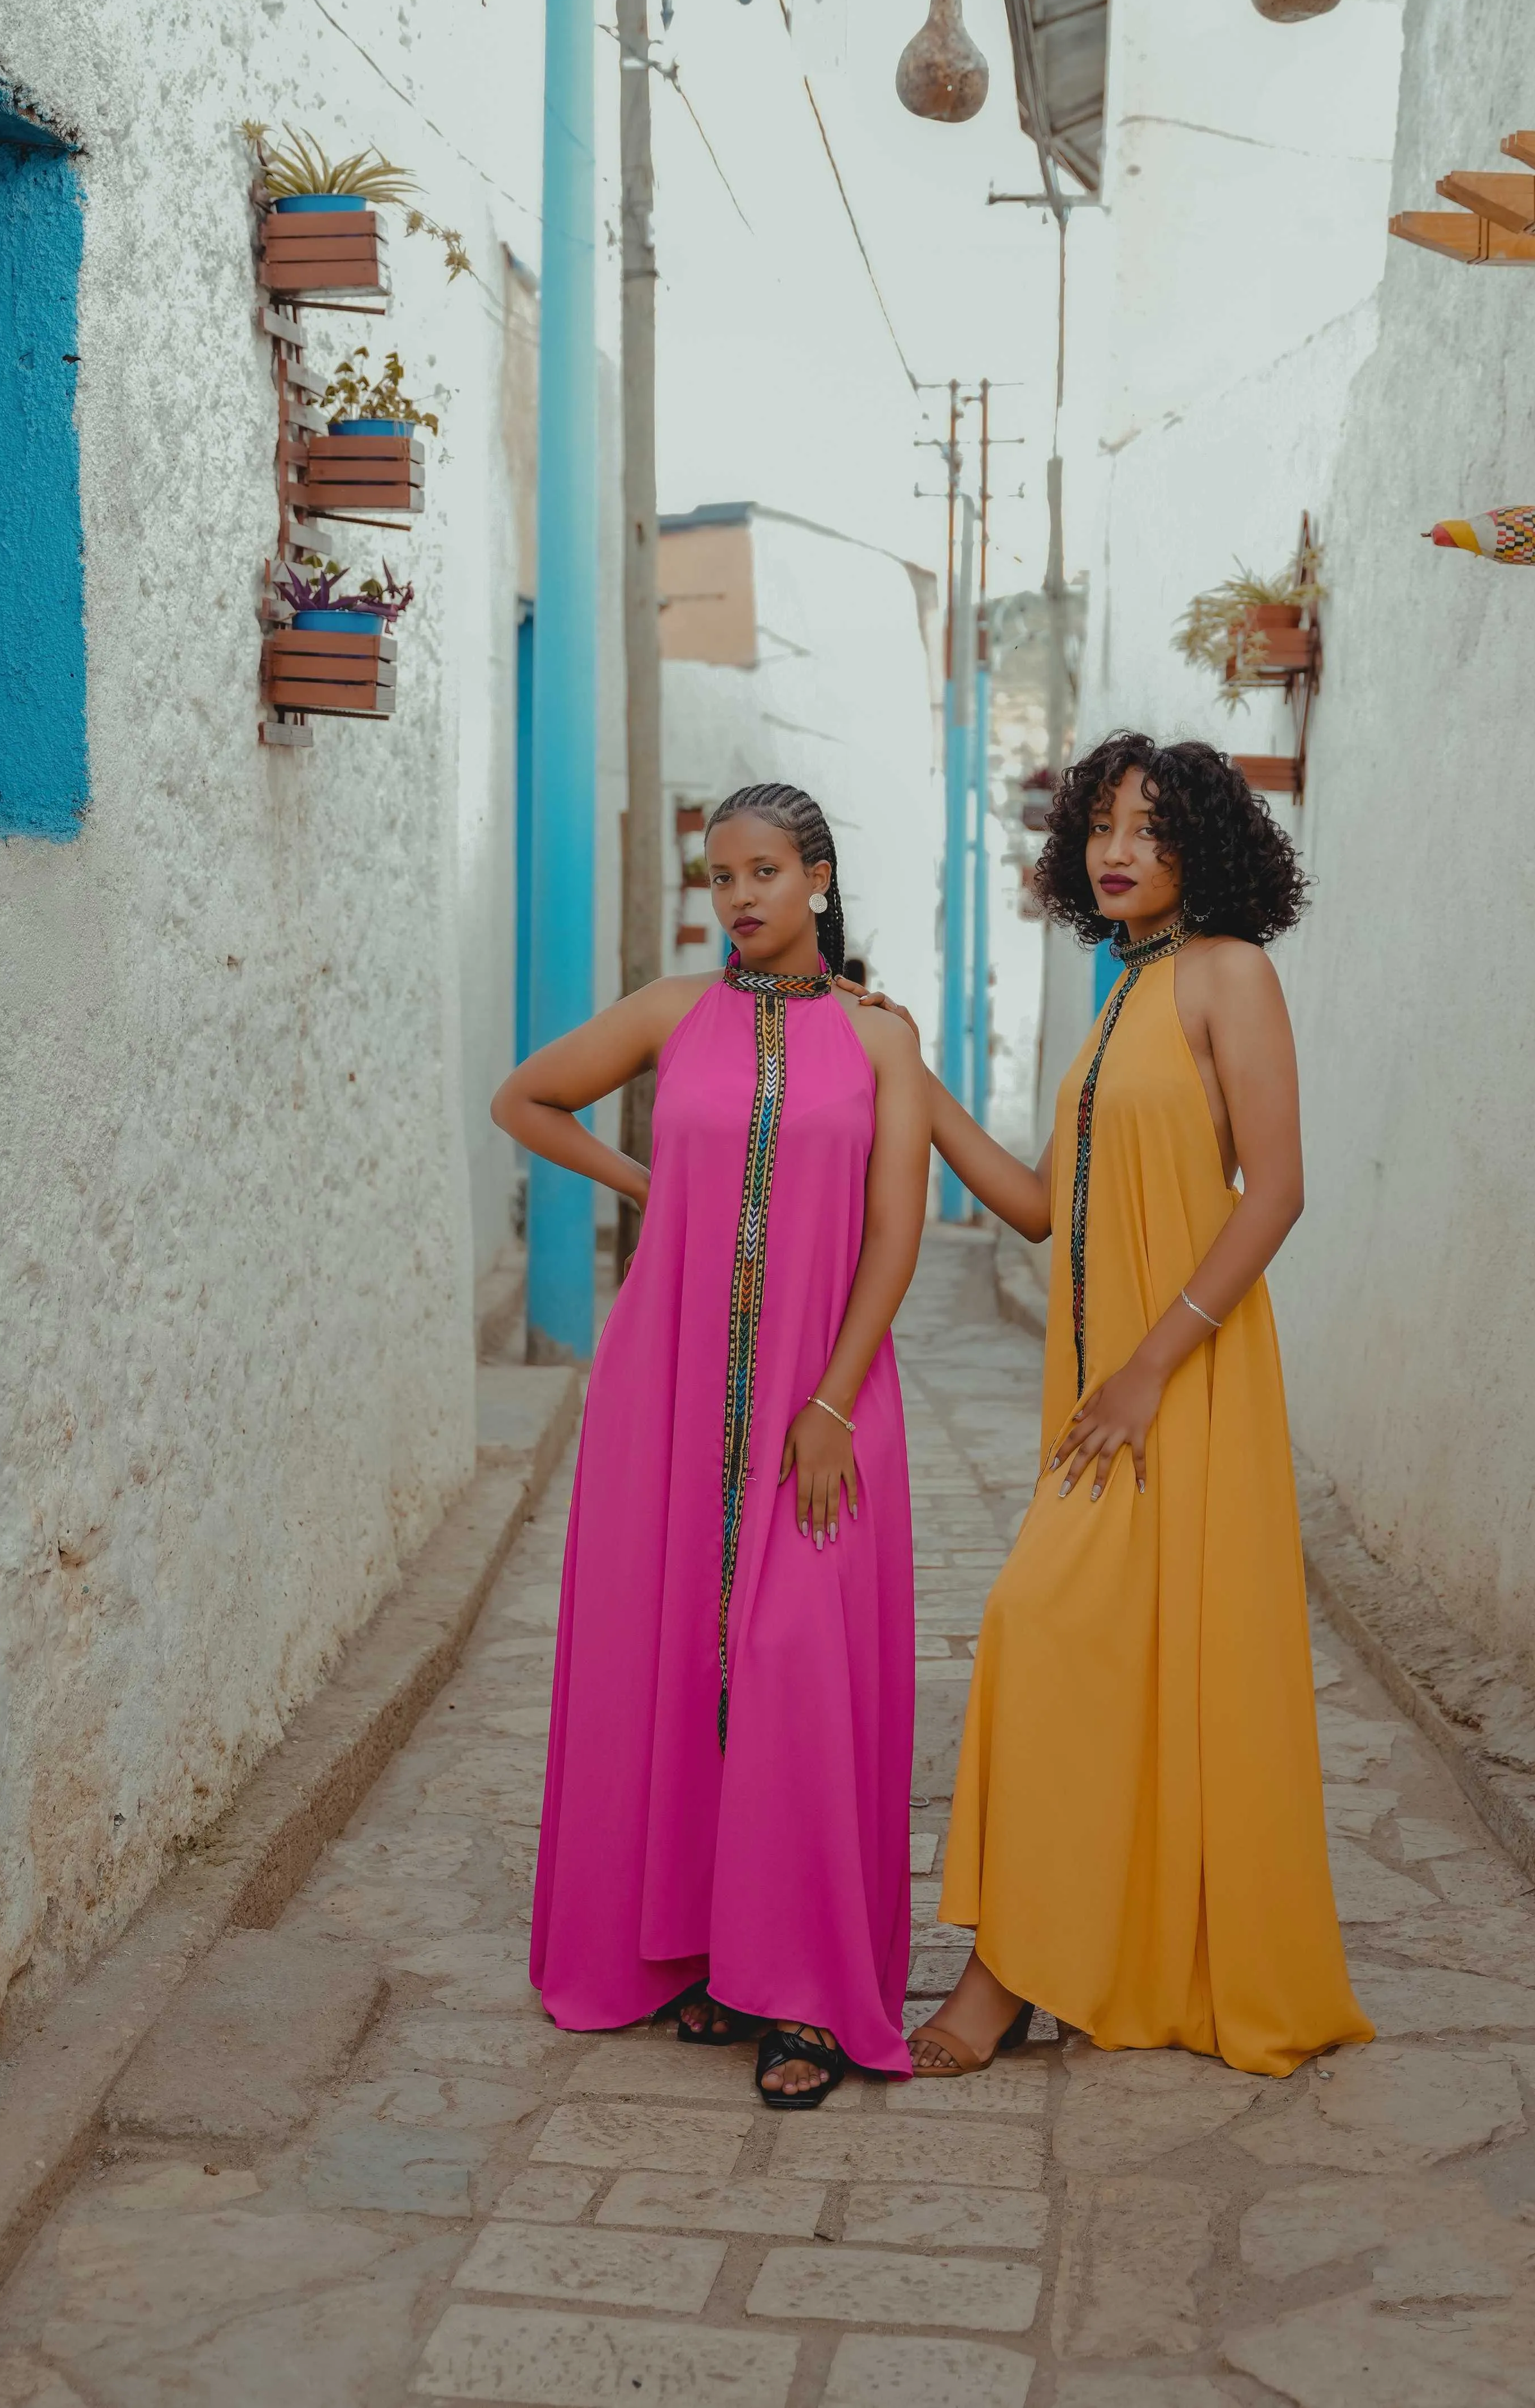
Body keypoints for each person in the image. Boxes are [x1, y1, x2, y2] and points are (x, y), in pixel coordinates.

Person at [849, 732, 1371, 2080]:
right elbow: (1033, 1206)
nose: (1117, 847)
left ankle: (1005, 1975)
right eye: (1098, 825)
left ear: (1204, 843)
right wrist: (911, 1070)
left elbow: (1277, 1188)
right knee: (1099, 1657)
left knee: (1037, 1628)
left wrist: (1149, 1366)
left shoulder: (1226, 976)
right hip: (1101, 1401)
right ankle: (1058, 1952)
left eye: (1149, 825)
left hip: (1178, 1389)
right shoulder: (1119, 995)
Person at [492, 784, 929, 2104]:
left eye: (761, 871)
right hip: (664, 1387)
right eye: (718, 874)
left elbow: (898, 1230)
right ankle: (694, 1949)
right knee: (672, 1652)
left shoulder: (881, 1041)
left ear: (819, 877)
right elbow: (527, 1100)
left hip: (824, 1396)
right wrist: (654, 1192)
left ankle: (802, 1994)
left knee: (796, 1660)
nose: (737, 896)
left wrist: (833, 1402)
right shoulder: (672, 1012)